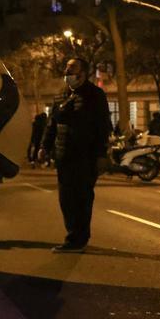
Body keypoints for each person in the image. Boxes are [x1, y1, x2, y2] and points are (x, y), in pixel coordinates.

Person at [38, 58, 111, 253]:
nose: (68, 72)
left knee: (82, 198)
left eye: (73, 69)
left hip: (86, 157)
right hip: (64, 156)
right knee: (66, 199)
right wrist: (44, 147)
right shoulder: (61, 95)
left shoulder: (95, 95)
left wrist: (101, 154)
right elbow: (52, 125)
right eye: (67, 69)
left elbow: (103, 126)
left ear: (83, 72)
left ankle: (77, 239)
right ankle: (74, 236)